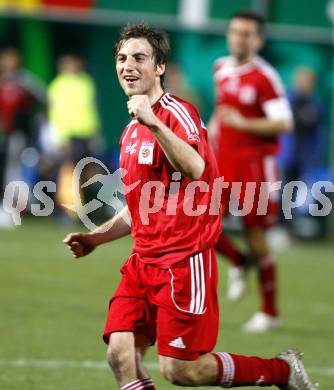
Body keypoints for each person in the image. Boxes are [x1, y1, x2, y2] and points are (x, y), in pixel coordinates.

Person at [63, 23, 317, 389]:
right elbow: (139, 206)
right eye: (121, 58)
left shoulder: (176, 113)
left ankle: (281, 370)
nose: (128, 66)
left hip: (183, 262)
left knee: (181, 371)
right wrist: (95, 239)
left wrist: (152, 121)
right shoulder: (130, 130)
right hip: (143, 262)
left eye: (139, 58)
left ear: (159, 67)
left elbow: (195, 167)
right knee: (121, 354)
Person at [207, 11, 294, 332]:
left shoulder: (264, 77)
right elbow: (221, 109)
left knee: (255, 236)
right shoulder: (221, 67)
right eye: (234, 31)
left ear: (258, 39)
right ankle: (240, 262)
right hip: (223, 163)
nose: (238, 38)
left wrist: (244, 123)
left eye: (246, 33)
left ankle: (270, 312)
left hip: (255, 168)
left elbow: (284, 122)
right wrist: (212, 133)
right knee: (202, 222)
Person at [0, 47, 46, 227]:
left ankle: (11, 209)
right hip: (5, 134)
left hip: (19, 135)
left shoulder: (24, 81)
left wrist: (30, 123)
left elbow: (43, 100)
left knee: (13, 172)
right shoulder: (3, 81)